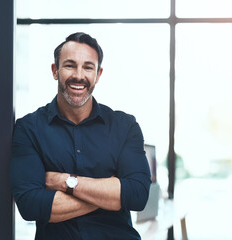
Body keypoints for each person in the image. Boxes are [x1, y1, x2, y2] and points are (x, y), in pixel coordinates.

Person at [9, 32, 151, 240]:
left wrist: (65, 182)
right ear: (55, 70)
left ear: (98, 74)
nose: (79, 75)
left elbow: (138, 196)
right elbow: (31, 206)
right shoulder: (28, 128)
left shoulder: (125, 126)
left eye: (88, 67)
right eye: (69, 65)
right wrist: (109, 192)